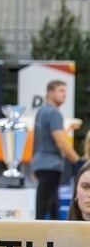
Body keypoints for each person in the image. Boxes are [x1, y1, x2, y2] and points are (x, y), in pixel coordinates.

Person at [32, 80, 81, 220]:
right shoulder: (54, 113)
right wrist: (79, 162)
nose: (64, 95)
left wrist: (34, 165)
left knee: (53, 207)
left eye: (65, 91)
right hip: (51, 165)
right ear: (49, 92)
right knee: (43, 210)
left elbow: (38, 141)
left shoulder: (41, 112)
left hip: (41, 164)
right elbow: (60, 141)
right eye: (60, 91)